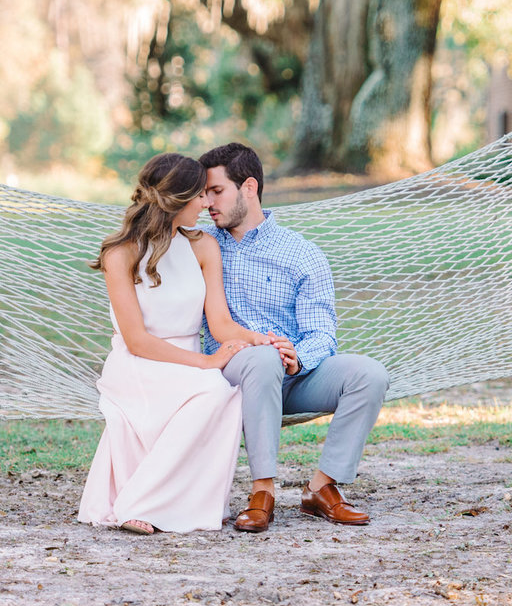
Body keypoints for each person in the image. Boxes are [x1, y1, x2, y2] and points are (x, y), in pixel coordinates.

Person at [198, 142, 390, 532]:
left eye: (216, 191)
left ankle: (321, 488)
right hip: (229, 375)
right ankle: (262, 492)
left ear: (249, 187)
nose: (207, 204)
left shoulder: (301, 253)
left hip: (292, 377)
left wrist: (296, 357)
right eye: (204, 194)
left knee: (369, 375)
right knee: (263, 357)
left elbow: (322, 334)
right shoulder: (200, 246)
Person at [78, 153, 271, 535]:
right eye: (199, 195)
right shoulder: (120, 253)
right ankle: (140, 505)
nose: (206, 203)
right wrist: (205, 363)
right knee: (213, 390)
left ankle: (170, 502)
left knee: (221, 393)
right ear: (175, 200)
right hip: (138, 363)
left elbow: (220, 323)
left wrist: (257, 339)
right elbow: (136, 340)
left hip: (185, 362)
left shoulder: (203, 246)